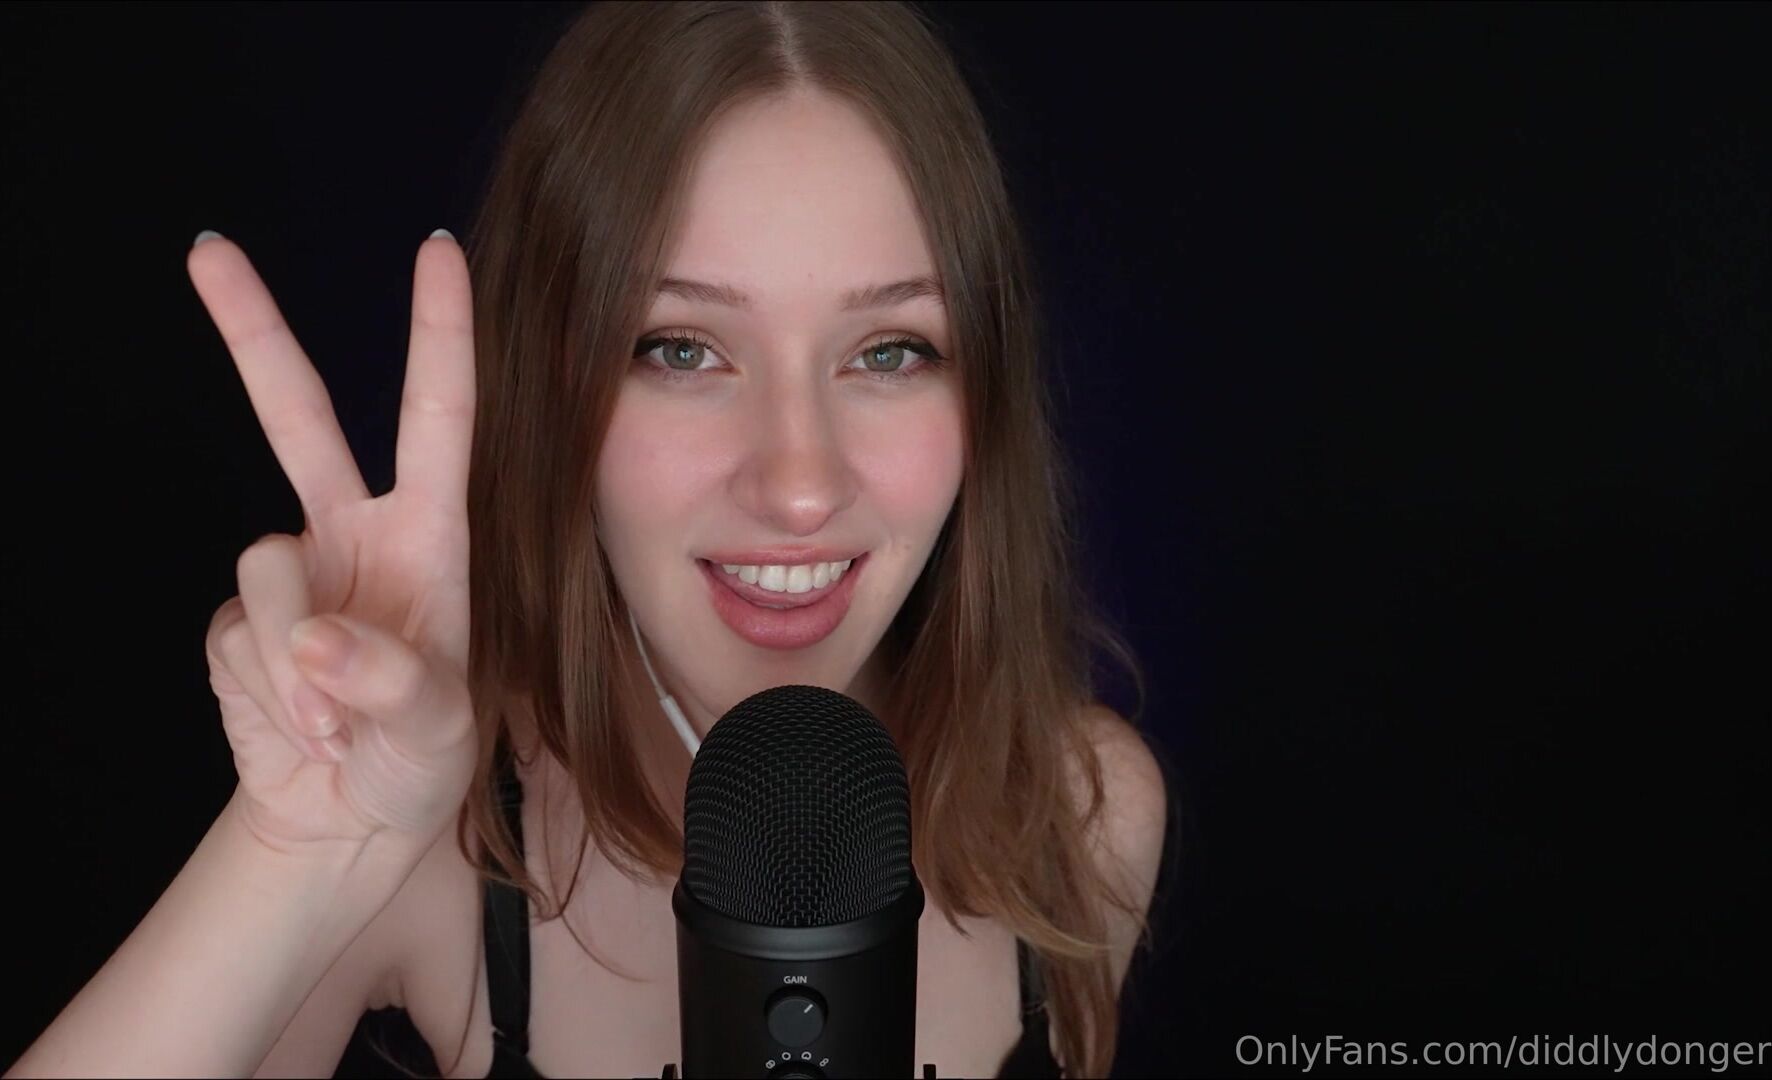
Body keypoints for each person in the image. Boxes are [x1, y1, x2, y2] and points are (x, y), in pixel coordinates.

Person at [7, 2, 1170, 1077]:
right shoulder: (435, 844)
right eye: (681, 349)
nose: (798, 488)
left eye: (888, 351)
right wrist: (298, 853)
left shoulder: (1077, 818)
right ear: (555, 384)